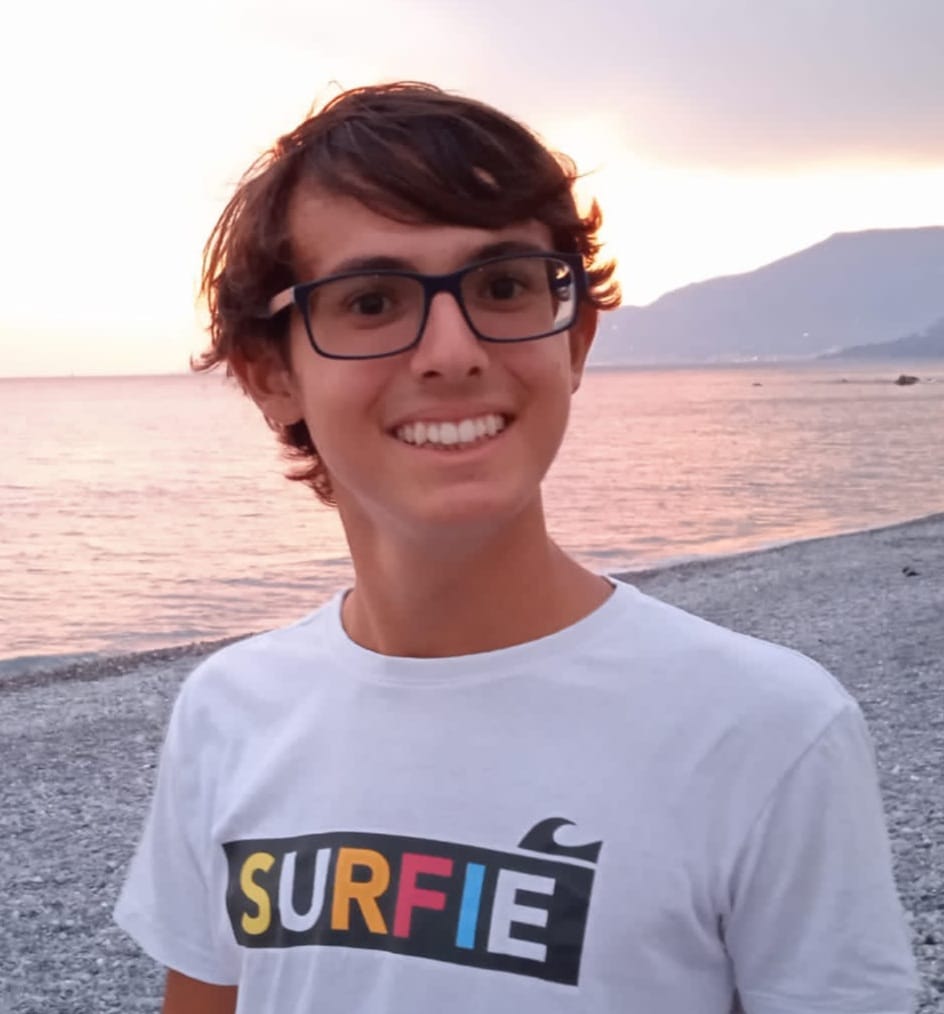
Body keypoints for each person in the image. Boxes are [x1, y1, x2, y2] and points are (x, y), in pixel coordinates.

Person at [114, 82, 918, 1014]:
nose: (452, 351)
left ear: (574, 340)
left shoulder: (765, 729)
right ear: (270, 374)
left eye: (502, 287)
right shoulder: (229, 711)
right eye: (371, 301)